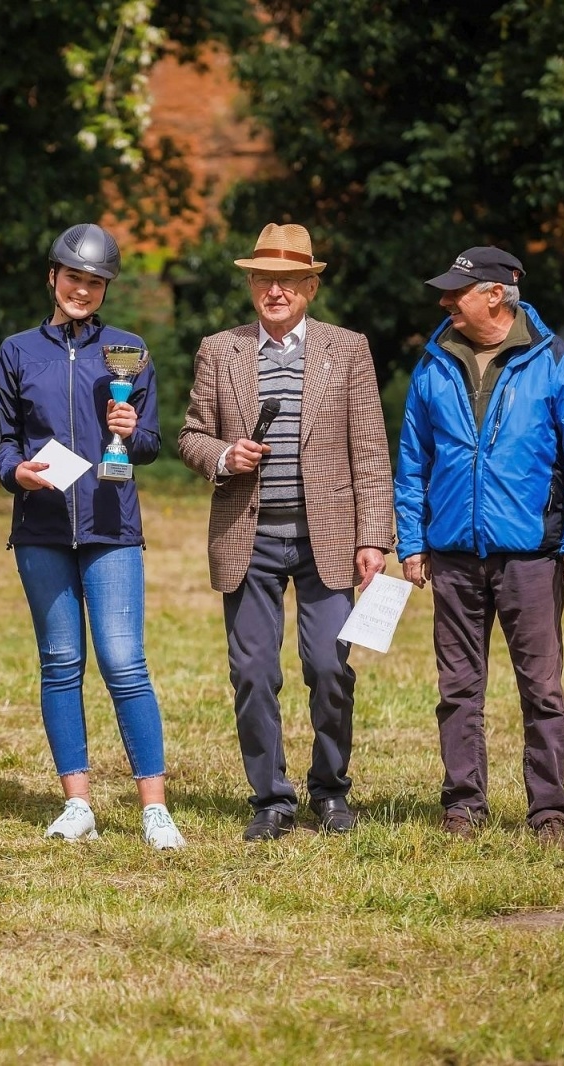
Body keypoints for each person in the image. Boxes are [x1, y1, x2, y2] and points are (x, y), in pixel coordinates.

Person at [177, 223, 393, 842]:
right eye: (264, 278)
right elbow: (192, 435)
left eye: (289, 280)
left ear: (310, 286)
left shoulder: (347, 349)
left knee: (329, 666)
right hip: (248, 538)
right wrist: (224, 457)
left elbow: (371, 452)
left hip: (327, 538)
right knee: (252, 673)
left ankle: (330, 791)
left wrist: (374, 537)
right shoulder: (220, 350)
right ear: (250, 284)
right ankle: (270, 798)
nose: (275, 289)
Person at [396, 246, 564, 849]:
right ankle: (464, 805)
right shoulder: (433, 364)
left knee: (541, 688)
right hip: (454, 556)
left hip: (532, 555)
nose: (444, 302)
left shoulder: (562, 365)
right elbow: (413, 460)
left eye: (456, 292)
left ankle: (549, 811)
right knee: (457, 688)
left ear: (496, 293)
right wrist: (411, 539)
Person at [0, 223, 185, 850]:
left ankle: (154, 807)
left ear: (106, 290)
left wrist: (133, 426)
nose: (83, 289)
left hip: (112, 528)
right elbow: (3, 441)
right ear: (53, 277)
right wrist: (14, 472)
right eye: (74, 277)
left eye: (95, 282)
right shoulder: (18, 351)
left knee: (125, 663)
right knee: (60, 664)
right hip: (41, 529)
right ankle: (78, 804)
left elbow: (151, 444)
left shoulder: (129, 349)